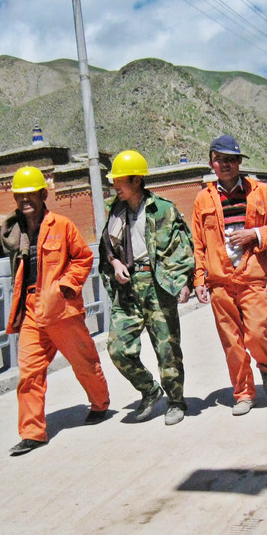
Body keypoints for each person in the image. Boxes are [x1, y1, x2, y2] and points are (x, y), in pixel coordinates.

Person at [1, 166, 110, 456]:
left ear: (42, 194)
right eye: (20, 195)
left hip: (61, 310)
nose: (25, 200)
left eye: (30, 194)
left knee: (84, 363)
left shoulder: (61, 225)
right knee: (29, 374)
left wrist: (66, 285)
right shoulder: (16, 231)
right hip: (31, 312)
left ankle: (100, 403)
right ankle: (32, 433)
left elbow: (83, 258)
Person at [191, 134, 267, 416]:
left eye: (231, 160)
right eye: (220, 159)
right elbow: (198, 243)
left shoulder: (259, 192)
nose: (225, 165)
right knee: (232, 343)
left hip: (251, 277)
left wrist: (255, 234)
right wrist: (200, 279)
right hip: (220, 280)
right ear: (212, 163)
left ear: (239, 163)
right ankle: (244, 393)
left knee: (258, 333)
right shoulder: (203, 199)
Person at [99, 150, 195, 426]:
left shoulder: (162, 209)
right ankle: (149, 390)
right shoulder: (114, 211)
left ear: (136, 180)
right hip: (128, 287)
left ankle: (176, 401)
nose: (114, 185)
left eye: (119, 180)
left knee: (167, 349)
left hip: (158, 285)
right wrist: (115, 263)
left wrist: (183, 282)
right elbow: (108, 247)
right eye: (113, 180)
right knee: (118, 348)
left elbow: (182, 247)